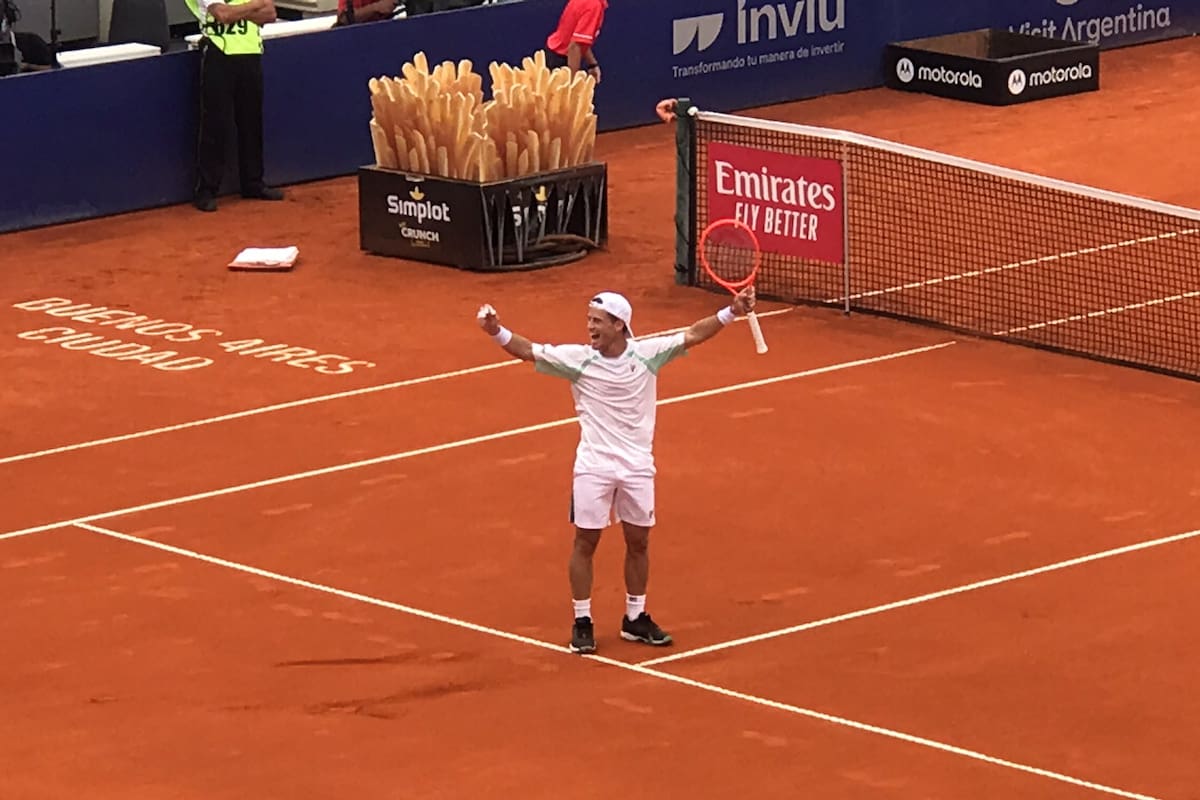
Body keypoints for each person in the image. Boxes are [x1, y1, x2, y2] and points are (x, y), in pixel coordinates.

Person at [476, 287, 756, 654]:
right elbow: (527, 350)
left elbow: (694, 334)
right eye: (589, 320)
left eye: (597, 321)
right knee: (585, 541)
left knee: (638, 541)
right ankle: (582, 621)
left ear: (619, 324)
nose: (589, 327)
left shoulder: (647, 355)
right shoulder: (578, 360)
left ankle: (635, 618)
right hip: (594, 467)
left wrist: (731, 311)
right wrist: (495, 329)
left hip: (638, 467)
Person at [187, 0, 285, 212]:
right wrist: (254, 6)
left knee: (252, 121)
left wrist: (237, 12)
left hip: (251, 55)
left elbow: (269, 14)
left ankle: (253, 183)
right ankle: (206, 190)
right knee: (215, 124)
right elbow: (222, 14)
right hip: (218, 54)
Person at [544, 0, 605, 84]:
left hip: (553, 55)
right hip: (560, 62)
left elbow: (581, 41)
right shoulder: (594, 6)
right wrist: (571, 84)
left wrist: (592, 64)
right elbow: (574, 46)